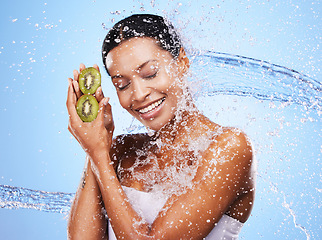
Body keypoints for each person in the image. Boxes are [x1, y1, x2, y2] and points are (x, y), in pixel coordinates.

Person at [66, 14, 255, 240]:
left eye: (150, 73)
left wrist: (98, 155)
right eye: (122, 84)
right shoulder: (122, 150)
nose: (138, 94)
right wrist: (96, 148)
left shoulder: (229, 147)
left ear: (182, 62)